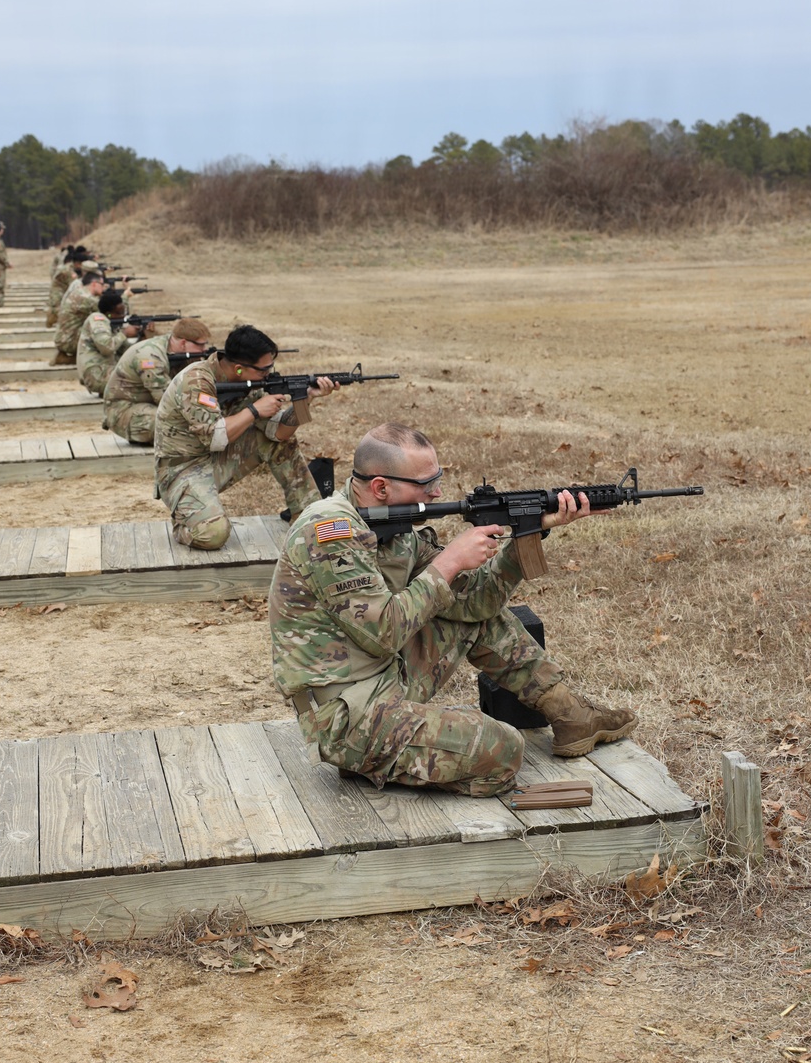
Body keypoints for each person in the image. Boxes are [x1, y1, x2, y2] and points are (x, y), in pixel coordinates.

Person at [268, 421, 637, 797]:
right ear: (381, 487)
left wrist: (531, 530)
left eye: (438, 479)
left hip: (384, 679)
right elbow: (383, 634)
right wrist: (449, 562)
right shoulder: (329, 533)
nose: (438, 491)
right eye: (426, 484)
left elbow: (477, 601)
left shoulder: (396, 527)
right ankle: (373, 757)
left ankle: (572, 715)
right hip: (347, 716)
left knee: (472, 615)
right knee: (503, 749)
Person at [154, 323, 334, 549]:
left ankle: (308, 515)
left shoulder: (249, 382)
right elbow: (214, 438)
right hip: (181, 469)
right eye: (263, 370)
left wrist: (306, 399)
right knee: (213, 534)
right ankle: (185, 523)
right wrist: (254, 410)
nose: (268, 374)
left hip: (214, 460)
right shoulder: (196, 381)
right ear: (239, 368)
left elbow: (278, 434)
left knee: (280, 442)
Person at [103, 315, 210, 443]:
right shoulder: (150, 357)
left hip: (146, 406)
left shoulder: (174, 350)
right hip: (123, 412)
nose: (204, 350)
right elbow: (168, 400)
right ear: (183, 343)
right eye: (201, 345)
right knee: (181, 426)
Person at [76, 289, 139, 396]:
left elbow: (128, 352)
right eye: (119, 313)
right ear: (109, 314)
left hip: (105, 371)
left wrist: (143, 336)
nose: (123, 316)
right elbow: (106, 348)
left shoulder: (112, 326)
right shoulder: (98, 319)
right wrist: (124, 333)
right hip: (96, 374)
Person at [52, 264, 112, 366]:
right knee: (99, 331)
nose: (103, 287)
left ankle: (69, 357)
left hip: (64, 338)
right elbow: (109, 314)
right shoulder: (87, 299)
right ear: (94, 284)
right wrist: (124, 298)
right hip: (68, 341)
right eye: (102, 284)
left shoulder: (80, 292)